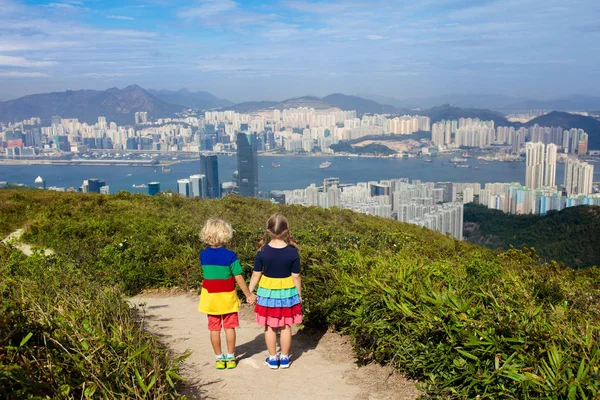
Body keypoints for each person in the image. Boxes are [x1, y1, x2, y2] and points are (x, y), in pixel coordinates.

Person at [198, 218, 256, 370]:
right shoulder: (230, 256)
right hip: (227, 297)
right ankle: (230, 357)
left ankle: (219, 358)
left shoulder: (203, 255)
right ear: (226, 234)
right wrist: (249, 294)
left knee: (214, 329)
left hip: (210, 298)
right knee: (229, 327)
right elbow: (238, 277)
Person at [249, 213, 302, 369]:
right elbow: (296, 276)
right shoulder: (293, 252)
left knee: (270, 326)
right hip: (287, 292)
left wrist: (250, 292)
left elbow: (256, 273)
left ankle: (272, 358)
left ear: (268, 230)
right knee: (286, 325)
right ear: (286, 231)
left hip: (267, 292)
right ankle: (285, 358)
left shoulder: (262, 251)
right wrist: (299, 295)